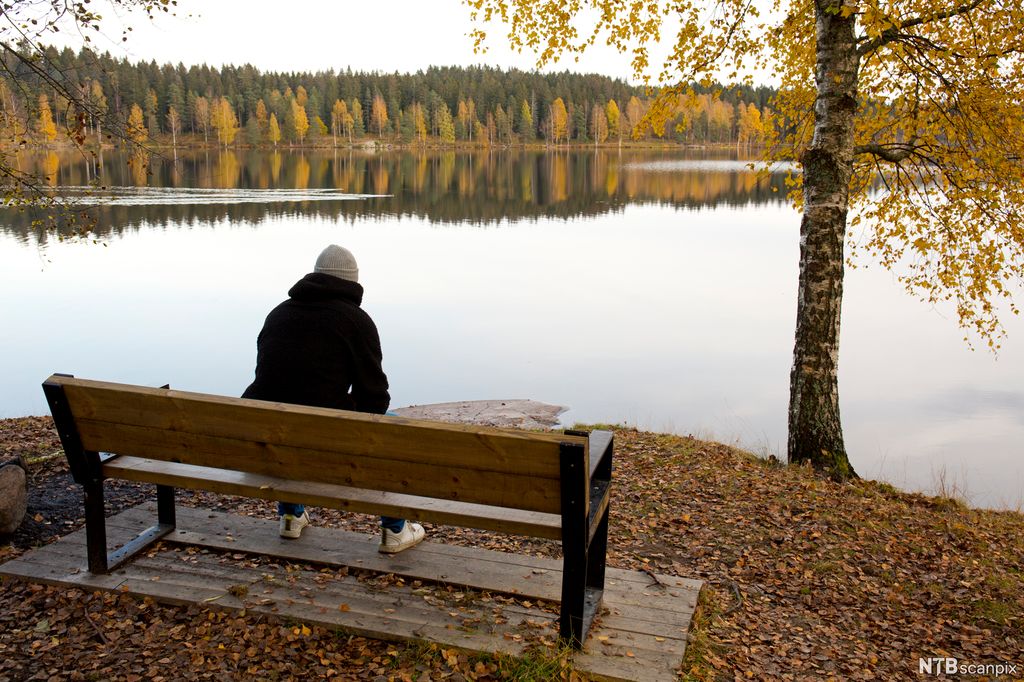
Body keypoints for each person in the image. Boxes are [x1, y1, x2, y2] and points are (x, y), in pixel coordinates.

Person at [242, 244, 426, 554]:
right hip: (329, 444)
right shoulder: (355, 321)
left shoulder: (278, 314)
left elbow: (269, 380)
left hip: (267, 439)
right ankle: (395, 529)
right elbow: (375, 398)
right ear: (353, 284)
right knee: (393, 428)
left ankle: (290, 515)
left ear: (313, 277)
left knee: (288, 415)